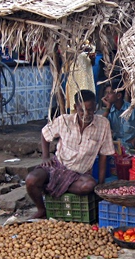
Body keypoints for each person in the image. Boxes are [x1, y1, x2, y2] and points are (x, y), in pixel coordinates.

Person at [25, 89, 115, 219]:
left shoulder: (103, 124)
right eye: (82, 110)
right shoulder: (64, 120)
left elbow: (103, 155)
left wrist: (101, 184)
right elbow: (45, 134)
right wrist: (45, 156)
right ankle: (41, 209)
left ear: (95, 107)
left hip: (79, 175)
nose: (86, 114)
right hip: (56, 167)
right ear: (75, 108)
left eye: (90, 110)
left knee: (89, 186)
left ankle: (53, 186)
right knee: (31, 180)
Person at [101, 81, 135, 149]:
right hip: (116, 147)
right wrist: (108, 108)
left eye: (109, 93)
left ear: (118, 96)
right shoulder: (110, 111)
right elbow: (100, 126)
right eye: (106, 93)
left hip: (131, 147)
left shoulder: (134, 109)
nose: (106, 96)